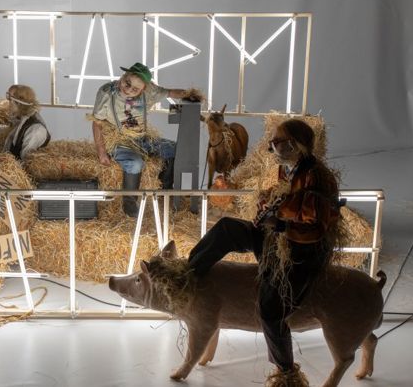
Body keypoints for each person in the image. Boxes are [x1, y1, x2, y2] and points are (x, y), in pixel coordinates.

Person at [187, 119, 343, 386]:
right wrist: (266, 200)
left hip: (301, 251)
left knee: (271, 310)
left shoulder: (318, 176)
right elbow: (281, 197)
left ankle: (286, 372)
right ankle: (188, 273)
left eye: (276, 142)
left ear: (294, 145)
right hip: (279, 238)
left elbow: (317, 219)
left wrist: (279, 222)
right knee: (226, 228)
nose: (271, 148)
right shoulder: (288, 170)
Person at [89, 62, 202, 217]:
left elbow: (170, 93)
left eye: (135, 89)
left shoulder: (149, 92)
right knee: (135, 163)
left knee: (176, 150)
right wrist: (101, 152)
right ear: (124, 76)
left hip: (143, 138)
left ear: (143, 89)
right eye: (127, 83)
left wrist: (190, 94)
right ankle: (129, 204)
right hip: (120, 140)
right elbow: (97, 123)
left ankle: (164, 190)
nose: (128, 89)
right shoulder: (106, 93)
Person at [3, 84, 51, 160]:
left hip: (21, 170)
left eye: (10, 101)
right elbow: (11, 129)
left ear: (19, 103)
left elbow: (26, 160)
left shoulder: (36, 129)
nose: (7, 104)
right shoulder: (22, 118)